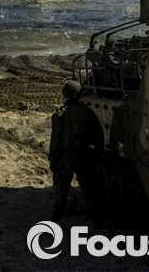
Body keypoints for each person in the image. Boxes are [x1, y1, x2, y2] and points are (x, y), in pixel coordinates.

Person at [48, 80, 104, 225]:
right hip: (85, 155)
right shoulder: (88, 112)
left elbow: (55, 139)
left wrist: (53, 159)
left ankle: (57, 218)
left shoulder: (60, 114)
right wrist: (96, 154)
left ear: (65, 95)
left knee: (61, 189)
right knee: (89, 189)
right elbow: (98, 135)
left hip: (66, 156)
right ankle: (96, 219)